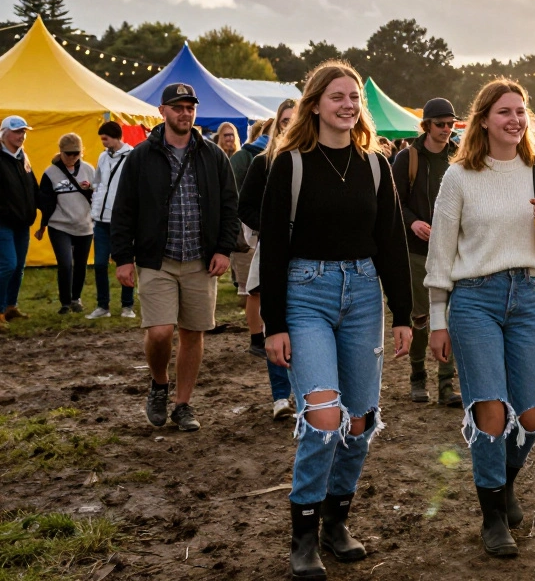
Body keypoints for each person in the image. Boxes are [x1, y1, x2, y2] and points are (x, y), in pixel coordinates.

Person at [258, 60, 412, 580]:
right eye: (337, 97)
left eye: (354, 98)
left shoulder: (375, 165)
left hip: (365, 295)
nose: (348, 105)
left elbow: (391, 241)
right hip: (306, 294)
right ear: (316, 104)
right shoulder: (291, 165)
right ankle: (302, 537)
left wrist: (404, 314)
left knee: (360, 420)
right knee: (324, 416)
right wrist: (273, 325)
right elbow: (273, 248)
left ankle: (335, 522)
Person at [425, 78, 535, 557]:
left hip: (527, 295)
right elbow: (441, 252)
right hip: (475, 298)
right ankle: (492, 516)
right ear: (484, 119)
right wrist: (437, 317)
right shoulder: (460, 175)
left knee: (529, 411)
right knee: (490, 409)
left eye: (521, 111)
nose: (515, 120)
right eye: (505, 111)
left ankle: (503, 484)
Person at [111, 82, 240, 433]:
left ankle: (183, 404)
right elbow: (123, 209)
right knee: (159, 332)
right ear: (163, 111)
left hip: (201, 259)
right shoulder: (141, 156)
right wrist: (123, 257)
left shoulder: (212, 155)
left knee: (193, 333)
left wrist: (224, 249)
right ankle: (158, 383)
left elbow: (230, 206)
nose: (185, 113)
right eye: (178, 107)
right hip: (158, 258)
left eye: (190, 107)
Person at [390, 97, 462, 406]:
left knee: (451, 316)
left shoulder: (460, 156)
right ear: (426, 126)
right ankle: (418, 375)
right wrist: (412, 222)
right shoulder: (408, 158)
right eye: (440, 124)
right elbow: (393, 202)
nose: (447, 129)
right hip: (417, 250)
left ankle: (447, 383)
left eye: (451, 124)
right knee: (420, 318)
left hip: (456, 249)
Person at [237, 99, 298, 420]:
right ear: (277, 124)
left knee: (304, 325)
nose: (289, 125)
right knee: (276, 320)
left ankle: (303, 394)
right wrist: (270, 226)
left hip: (309, 255)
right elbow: (244, 206)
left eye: (295, 119)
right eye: (285, 120)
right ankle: (280, 397)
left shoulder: (314, 160)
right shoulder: (264, 162)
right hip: (273, 252)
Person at [36, 133, 96, 314]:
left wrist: (90, 190)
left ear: (81, 152)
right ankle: (64, 302)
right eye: (68, 153)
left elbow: (98, 195)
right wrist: (43, 224)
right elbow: (44, 201)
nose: (71, 157)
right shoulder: (50, 173)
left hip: (84, 225)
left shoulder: (88, 170)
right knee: (65, 263)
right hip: (59, 225)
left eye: (75, 153)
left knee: (80, 264)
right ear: (60, 151)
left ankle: (76, 298)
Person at [87, 122, 135, 319]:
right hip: (101, 219)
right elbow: (99, 182)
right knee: (99, 264)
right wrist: (94, 192)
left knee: (125, 262)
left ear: (115, 137)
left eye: (105, 138)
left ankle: (127, 306)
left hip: (122, 221)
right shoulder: (102, 157)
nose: (103, 142)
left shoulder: (131, 156)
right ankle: (102, 306)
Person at [0, 116, 38, 330]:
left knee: (18, 268)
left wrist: (43, 206)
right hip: (3, 221)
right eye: (17, 132)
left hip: (22, 221)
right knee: (8, 265)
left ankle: (10, 307)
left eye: (23, 132)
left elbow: (32, 186)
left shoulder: (23, 157)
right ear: (4, 133)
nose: (21, 136)